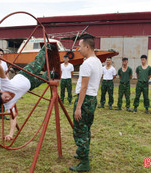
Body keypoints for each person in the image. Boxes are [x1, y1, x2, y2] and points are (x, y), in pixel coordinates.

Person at [0, 44, 56, 141]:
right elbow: (13, 117)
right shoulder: (8, 105)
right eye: (5, 101)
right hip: (30, 85)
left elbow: (1, 71)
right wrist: (10, 134)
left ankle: (45, 48)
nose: (8, 99)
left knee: (38, 64)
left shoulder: (4, 85)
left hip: (26, 73)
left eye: (5, 97)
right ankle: (52, 73)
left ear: (1, 92)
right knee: (44, 79)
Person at [69, 35, 102, 172]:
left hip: (85, 100)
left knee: (79, 131)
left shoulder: (86, 64)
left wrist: (78, 107)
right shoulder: (98, 61)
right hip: (92, 99)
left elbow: (84, 87)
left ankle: (84, 163)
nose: (79, 49)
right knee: (86, 129)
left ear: (87, 47)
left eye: (80, 46)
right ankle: (83, 153)